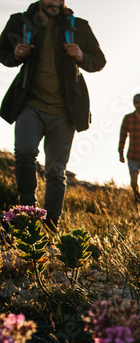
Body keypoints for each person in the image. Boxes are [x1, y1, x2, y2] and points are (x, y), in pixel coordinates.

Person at [0, 0, 105, 232]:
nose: (55, 3)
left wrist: (81, 56)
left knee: (56, 171)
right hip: (30, 105)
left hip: (65, 112)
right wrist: (14, 55)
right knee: (25, 152)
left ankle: (50, 225)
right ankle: (28, 213)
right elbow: (2, 52)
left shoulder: (78, 26)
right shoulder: (20, 22)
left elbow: (99, 61)